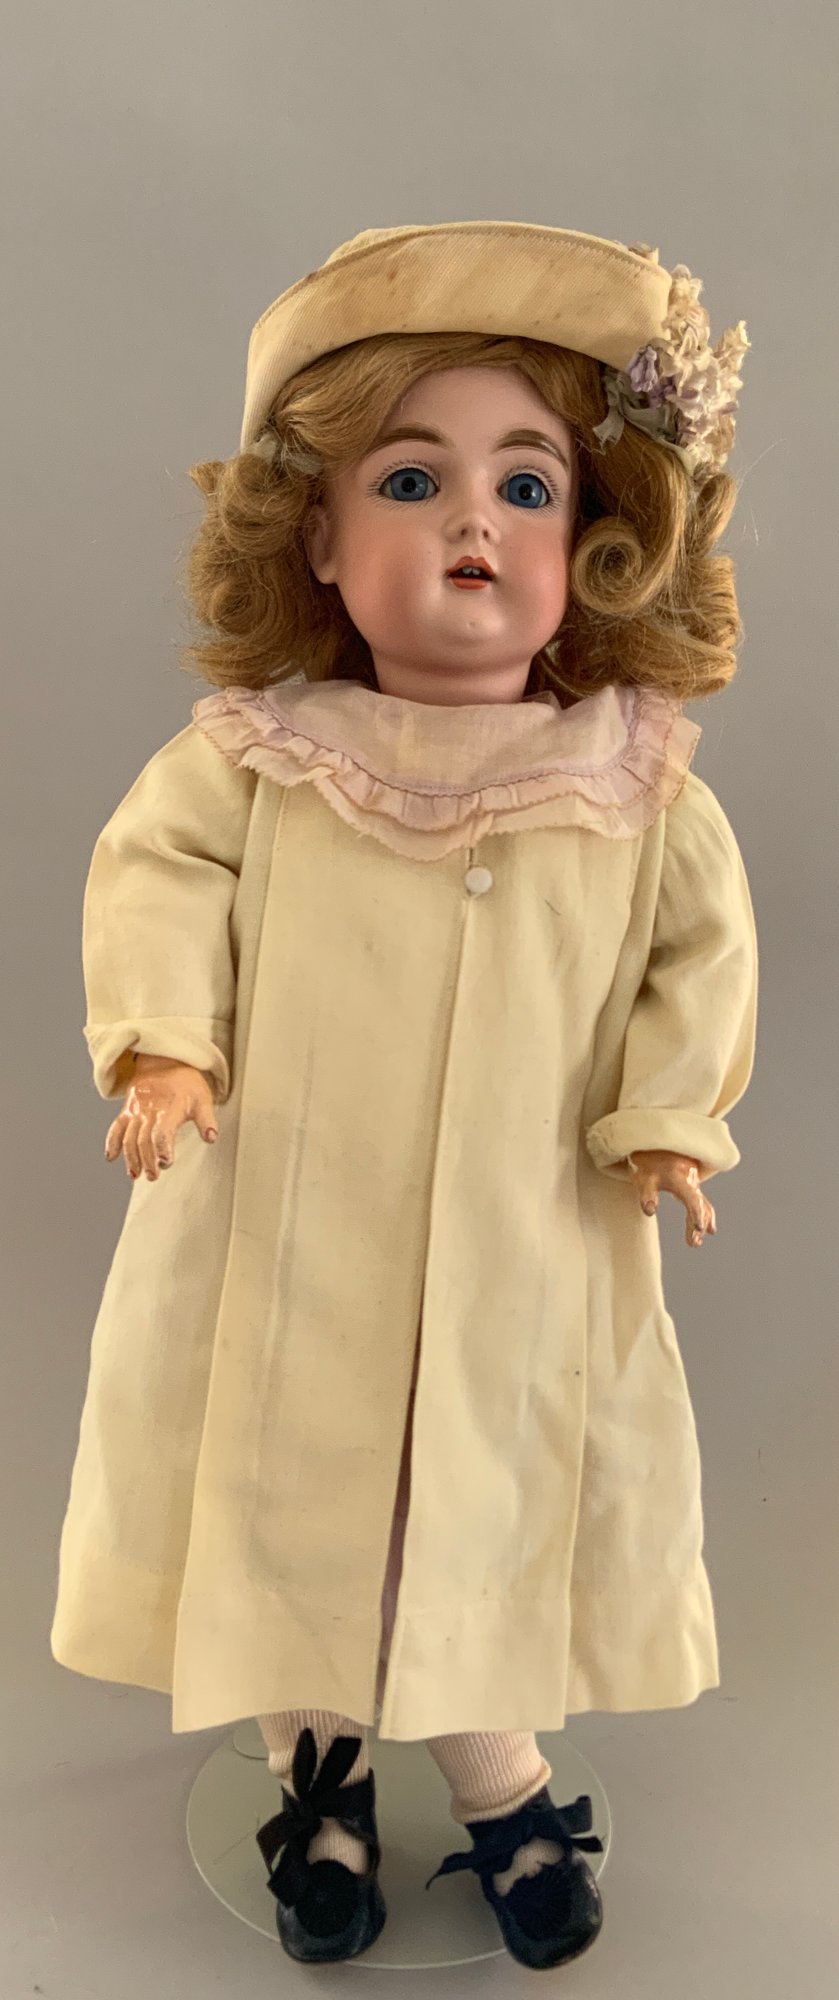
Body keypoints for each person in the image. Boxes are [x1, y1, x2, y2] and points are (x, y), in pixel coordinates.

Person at [50, 222, 757, 1967]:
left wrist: (671, 1116)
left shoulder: (633, 786)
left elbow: (699, 958)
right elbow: (156, 880)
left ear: (597, 539)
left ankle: (501, 1777)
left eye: (527, 485)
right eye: (413, 479)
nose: (472, 524)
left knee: (485, 1490)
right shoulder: (259, 760)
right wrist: (168, 1044)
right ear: (318, 535)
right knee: (296, 1494)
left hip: (524, 1235)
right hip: (290, 1232)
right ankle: (322, 1782)